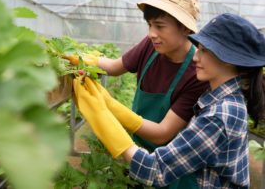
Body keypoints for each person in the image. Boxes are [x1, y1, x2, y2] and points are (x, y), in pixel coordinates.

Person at [73, 13, 265, 189]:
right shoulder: (222, 100)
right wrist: (109, 105)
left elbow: (154, 169)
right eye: (198, 48)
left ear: (229, 59)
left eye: (204, 51)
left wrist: (102, 116)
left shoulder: (221, 115)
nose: (196, 57)